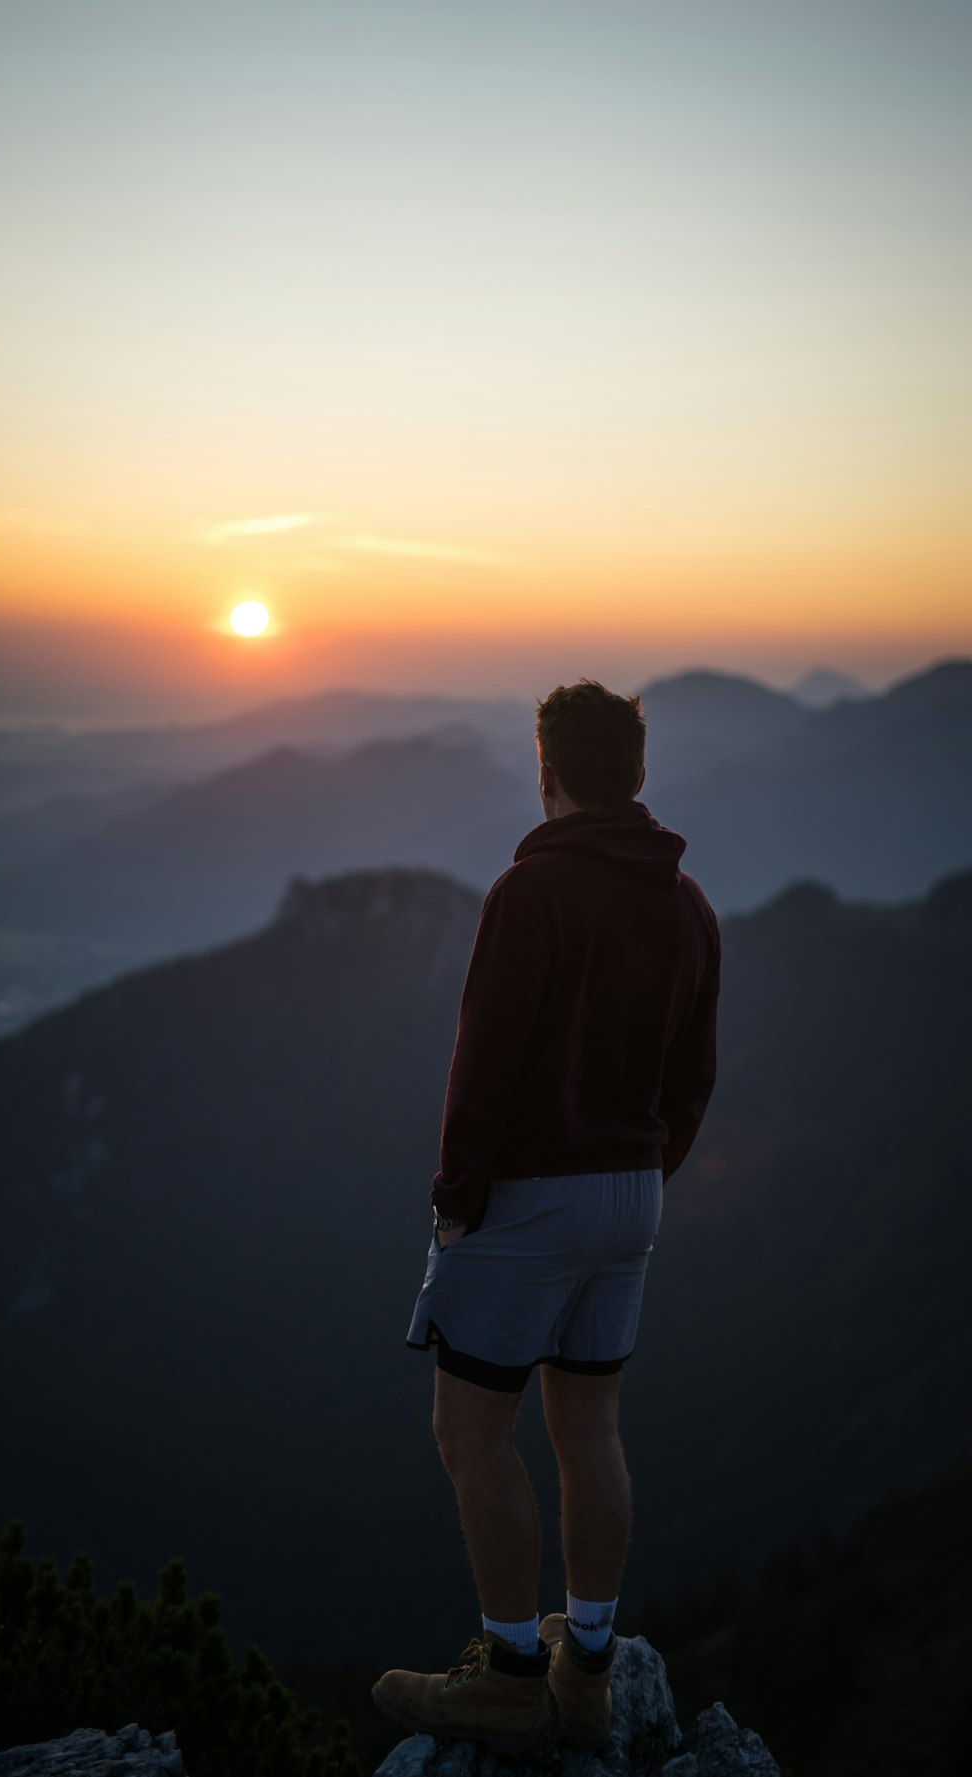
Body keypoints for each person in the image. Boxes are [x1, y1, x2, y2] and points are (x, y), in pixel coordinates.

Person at [372, 679, 721, 1754]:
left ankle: (511, 1672)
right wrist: (646, 1176)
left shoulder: (530, 895)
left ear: (548, 771)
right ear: (638, 775)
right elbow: (692, 1074)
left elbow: (483, 1065)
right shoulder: (686, 903)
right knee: (591, 1427)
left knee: (471, 1431)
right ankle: (588, 1667)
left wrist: (456, 1202)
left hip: (531, 1196)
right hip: (633, 1192)